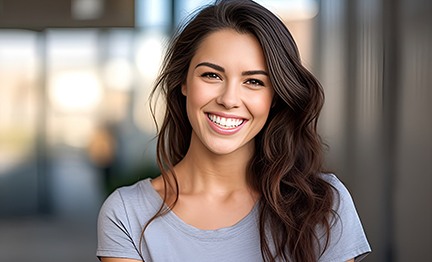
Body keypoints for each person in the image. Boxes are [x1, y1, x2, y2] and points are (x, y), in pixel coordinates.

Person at [96, 0, 371, 261]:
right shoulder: (127, 214)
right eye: (211, 75)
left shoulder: (322, 204)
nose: (229, 99)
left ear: (274, 97)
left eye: (253, 81)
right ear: (183, 82)